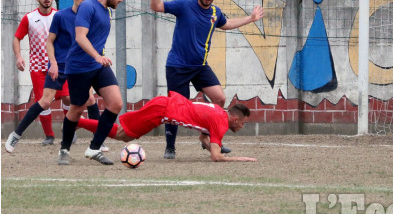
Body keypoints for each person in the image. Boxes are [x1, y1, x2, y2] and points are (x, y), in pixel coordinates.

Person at [150, 0, 264, 159]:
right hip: (177, 66)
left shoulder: (215, 12)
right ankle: (170, 147)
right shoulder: (184, 5)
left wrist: (251, 18)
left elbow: (226, 24)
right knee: (175, 107)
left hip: (200, 66)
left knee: (219, 98)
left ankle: (207, 137)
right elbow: (156, 6)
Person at [5, 0, 105, 153]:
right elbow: (47, 41)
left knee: (85, 99)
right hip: (49, 66)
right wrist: (45, 61)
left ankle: (98, 141)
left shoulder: (89, 16)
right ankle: (19, 134)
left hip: (76, 66)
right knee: (44, 102)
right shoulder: (56, 16)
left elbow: (89, 41)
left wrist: (96, 57)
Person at [75, 91, 257, 162]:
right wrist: (243, 159)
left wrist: (208, 143)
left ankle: (79, 122)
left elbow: (203, 137)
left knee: (124, 134)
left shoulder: (218, 112)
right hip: (162, 110)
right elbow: (216, 157)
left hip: (164, 105)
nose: (242, 126)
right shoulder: (220, 122)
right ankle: (79, 122)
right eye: (243, 122)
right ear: (234, 119)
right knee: (124, 135)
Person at [57, 0, 125, 166]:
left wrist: (98, 59)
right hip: (79, 66)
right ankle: (64, 149)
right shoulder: (88, 7)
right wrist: (97, 56)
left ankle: (94, 148)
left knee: (116, 103)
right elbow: (80, 37)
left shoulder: (106, 11)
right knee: (77, 108)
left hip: (98, 66)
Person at [12, 0, 58, 144]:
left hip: (58, 66)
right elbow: (17, 37)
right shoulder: (29, 18)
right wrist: (19, 57)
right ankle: (50, 136)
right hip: (38, 67)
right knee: (42, 101)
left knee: (68, 97)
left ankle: (69, 133)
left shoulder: (59, 16)